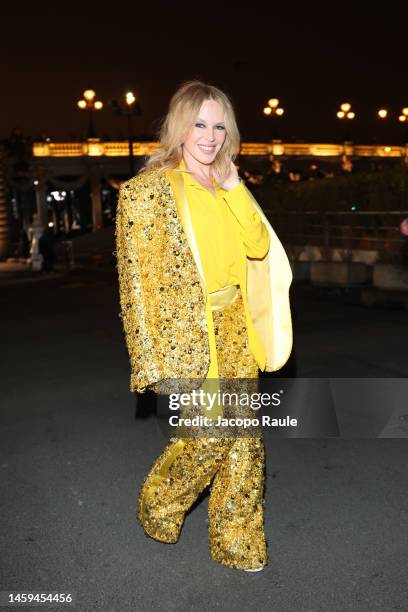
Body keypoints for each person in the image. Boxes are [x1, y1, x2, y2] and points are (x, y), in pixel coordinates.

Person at [115, 80, 293, 571]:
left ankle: (238, 542)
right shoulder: (149, 191)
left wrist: (236, 190)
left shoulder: (229, 186)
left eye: (219, 126)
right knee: (209, 436)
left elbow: (258, 246)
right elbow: (136, 280)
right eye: (199, 124)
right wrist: (150, 353)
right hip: (190, 331)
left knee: (243, 439)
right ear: (179, 127)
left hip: (237, 323)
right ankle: (160, 502)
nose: (210, 136)